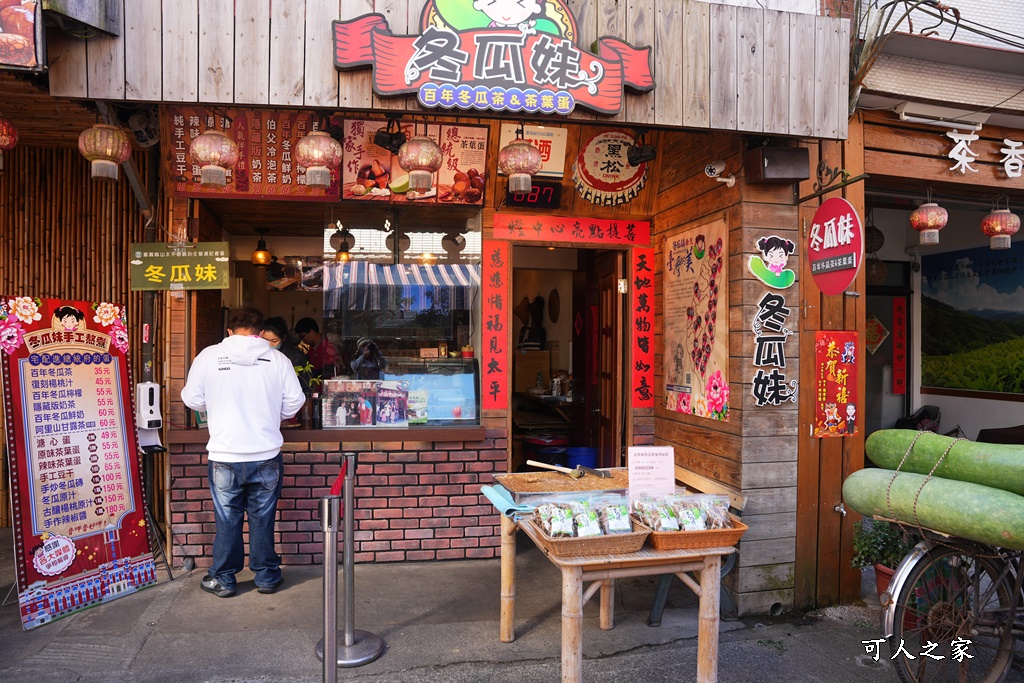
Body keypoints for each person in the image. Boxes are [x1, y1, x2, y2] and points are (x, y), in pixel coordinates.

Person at [180, 307, 305, 598]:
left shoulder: (208, 356)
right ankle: (267, 577)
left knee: (227, 519)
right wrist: (272, 415)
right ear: (261, 333)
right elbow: (294, 402)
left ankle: (224, 579)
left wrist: (216, 407)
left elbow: (192, 399)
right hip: (265, 454)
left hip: (225, 454)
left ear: (229, 332)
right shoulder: (277, 359)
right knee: (263, 518)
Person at [261, 316, 310, 394]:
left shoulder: (296, 358)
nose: (269, 344)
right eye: (265, 340)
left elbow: (306, 387)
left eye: (274, 341)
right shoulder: (255, 356)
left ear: (283, 338)